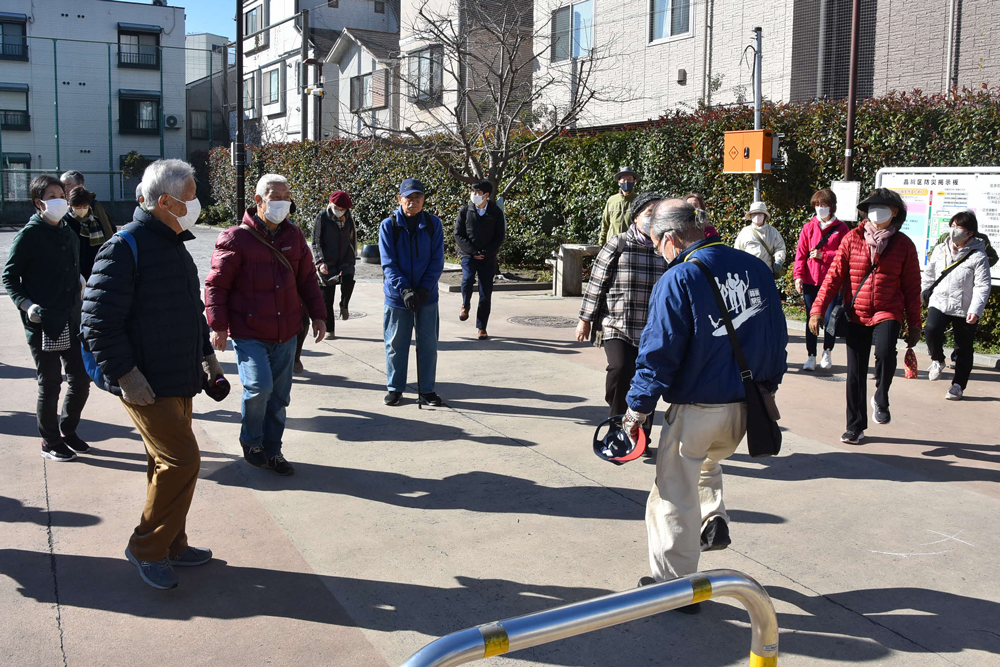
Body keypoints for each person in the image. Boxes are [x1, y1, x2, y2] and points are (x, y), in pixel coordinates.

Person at [622, 199, 787, 610]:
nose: (659, 250)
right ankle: (713, 519)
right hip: (748, 405)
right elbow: (777, 336)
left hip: (697, 407)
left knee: (672, 493)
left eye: (658, 242)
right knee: (708, 463)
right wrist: (768, 387)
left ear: (673, 238)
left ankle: (675, 588)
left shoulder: (678, 278)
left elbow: (658, 352)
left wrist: (635, 410)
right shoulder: (755, 268)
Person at [81, 159, 226, 590]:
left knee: (165, 464)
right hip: (146, 383)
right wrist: (125, 374)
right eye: (192, 196)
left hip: (179, 375)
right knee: (182, 460)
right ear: (165, 201)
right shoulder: (124, 247)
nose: (198, 203)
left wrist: (207, 358)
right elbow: (97, 322)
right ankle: (146, 547)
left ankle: (173, 544)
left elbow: (189, 310)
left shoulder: (173, 242)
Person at [205, 174, 326, 476]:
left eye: (286, 196)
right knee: (259, 387)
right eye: (275, 196)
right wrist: (218, 325)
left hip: (286, 332)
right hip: (250, 332)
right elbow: (216, 285)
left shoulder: (294, 236)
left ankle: (273, 450)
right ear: (258, 200)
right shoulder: (235, 238)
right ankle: (252, 442)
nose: (282, 202)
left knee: (280, 396)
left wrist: (320, 315)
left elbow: (308, 280)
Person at [809, 188, 922, 444]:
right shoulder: (851, 239)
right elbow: (833, 278)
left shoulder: (904, 245)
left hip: (888, 309)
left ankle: (881, 396)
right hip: (856, 312)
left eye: (882, 206)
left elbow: (912, 288)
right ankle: (855, 426)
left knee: (884, 352)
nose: (875, 211)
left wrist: (915, 323)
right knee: (855, 373)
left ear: (895, 212)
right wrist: (817, 310)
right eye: (871, 206)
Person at [3, 175, 92, 462]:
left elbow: (73, 264)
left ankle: (68, 430)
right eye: (52, 195)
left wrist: (78, 278)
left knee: (80, 379)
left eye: (62, 194)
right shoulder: (29, 235)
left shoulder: (67, 230)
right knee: (51, 382)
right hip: (44, 323)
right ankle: (50, 441)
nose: (60, 200)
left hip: (71, 317)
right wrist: (26, 304)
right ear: (38, 202)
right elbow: (10, 277)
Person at [577, 191, 666, 444]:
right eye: (649, 215)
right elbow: (596, 283)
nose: (652, 220)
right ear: (636, 216)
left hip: (652, 329)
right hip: (617, 323)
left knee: (647, 380)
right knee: (620, 370)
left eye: (657, 216)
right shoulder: (619, 243)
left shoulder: (665, 248)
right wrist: (585, 319)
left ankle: (641, 434)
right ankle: (617, 425)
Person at [379, 178, 445, 407]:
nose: (413, 202)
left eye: (418, 198)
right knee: (396, 344)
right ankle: (395, 388)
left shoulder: (433, 224)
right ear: (400, 199)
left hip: (427, 297)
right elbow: (388, 263)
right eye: (408, 198)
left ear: (423, 200)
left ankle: (427, 390)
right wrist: (405, 290)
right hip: (398, 298)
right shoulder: (389, 226)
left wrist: (425, 289)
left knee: (428, 345)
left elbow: (437, 261)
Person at [922, 211, 991, 400]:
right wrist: (924, 292)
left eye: (959, 228)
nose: (954, 231)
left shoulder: (978, 256)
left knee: (964, 347)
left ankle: (958, 385)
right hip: (940, 301)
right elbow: (929, 273)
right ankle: (938, 359)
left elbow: (982, 286)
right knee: (931, 329)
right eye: (952, 226)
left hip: (965, 306)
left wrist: (976, 310)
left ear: (970, 233)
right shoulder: (940, 249)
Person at [793, 188, 850, 371]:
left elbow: (844, 255)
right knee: (811, 317)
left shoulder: (841, 228)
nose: (820, 208)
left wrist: (823, 255)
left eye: (823, 205)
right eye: (817, 205)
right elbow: (800, 254)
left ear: (831, 207)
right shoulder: (808, 227)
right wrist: (798, 276)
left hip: (831, 281)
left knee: (829, 318)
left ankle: (827, 351)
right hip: (810, 280)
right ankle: (811, 355)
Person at [454, 180, 506, 340]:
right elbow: (458, 234)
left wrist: (487, 252)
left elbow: (499, 236)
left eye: (478, 193)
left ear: (486, 195)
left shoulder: (496, 212)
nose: (474, 195)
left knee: (485, 293)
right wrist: (472, 251)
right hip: (468, 255)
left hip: (488, 257)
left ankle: (482, 327)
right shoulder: (465, 211)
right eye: (473, 192)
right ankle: (465, 304)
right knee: (468, 278)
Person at [312, 190, 357, 340]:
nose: (340, 211)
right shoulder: (322, 217)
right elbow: (315, 241)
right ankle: (330, 329)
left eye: (343, 209)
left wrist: (352, 255)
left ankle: (344, 304)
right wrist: (320, 262)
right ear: (331, 204)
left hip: (345, 258)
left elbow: (352, 238)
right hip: (327, 260)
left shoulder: (348, 218)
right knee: (327, 297)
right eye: (337, 207)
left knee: (349, 279)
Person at [64, 185, 110, 280]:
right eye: (77, 207)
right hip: (72, 272)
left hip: (93, 270)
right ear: (70, 205)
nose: (82, 210)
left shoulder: (95, 222)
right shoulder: (65, 222)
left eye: (85, 206)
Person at [735, 201, 787, 276]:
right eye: (754, 214)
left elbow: (780, 248)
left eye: (760, 214)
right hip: (749, 273)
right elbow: (737, 252)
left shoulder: (772, 232)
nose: (757, 216)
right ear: (751, 216)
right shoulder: (744, 232)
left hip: (767, 272)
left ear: (764, 216)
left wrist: (779, 260)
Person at [60, 170, 115, 238]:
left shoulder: (93, 205)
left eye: (68, 185)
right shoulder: (61, 205)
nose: (64, 189)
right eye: (62, 186)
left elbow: (107, 231)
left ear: (80, 186)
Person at [599, 167, 638, 245]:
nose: (626, 182)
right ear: (619, 182)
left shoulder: (638, 201)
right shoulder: (612, 200)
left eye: (629, 179)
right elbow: (605, 224)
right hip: (612, 244)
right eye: (623, 179)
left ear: (634, 181)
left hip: (631, 245)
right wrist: (601, 243)